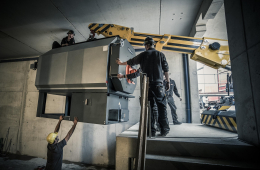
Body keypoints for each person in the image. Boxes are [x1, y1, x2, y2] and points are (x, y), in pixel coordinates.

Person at [116, 36, 171, 137]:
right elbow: (166, 69)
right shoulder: (160, 54)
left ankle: (151, 131)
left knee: (148, 109)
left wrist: (121, 65)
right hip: (159, 85)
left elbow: (131, 63)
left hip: (147, 86)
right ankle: (164, 130)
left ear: (146, 45)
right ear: (153, 44)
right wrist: (168, 82)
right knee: (161, 108)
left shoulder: (143, 55)